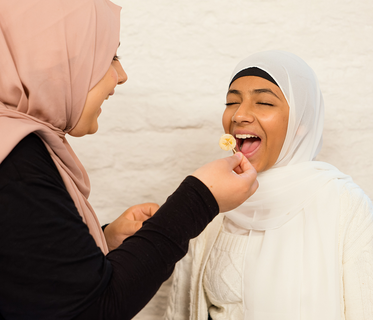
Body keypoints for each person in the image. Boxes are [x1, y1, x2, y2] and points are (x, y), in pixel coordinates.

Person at [0, 1, 259, 319]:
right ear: (51, 60)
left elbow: (29, 275)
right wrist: (198, 199)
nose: (121, 76)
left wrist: (102, 241)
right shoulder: (16, 166)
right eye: (108, 57)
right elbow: (95, 309)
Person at [164, 50, 373, 320]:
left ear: (301, 123)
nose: (239, 115)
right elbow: (181, 310)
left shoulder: (344, 205)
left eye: (263, 102)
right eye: (231, 102)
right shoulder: (214, 201)